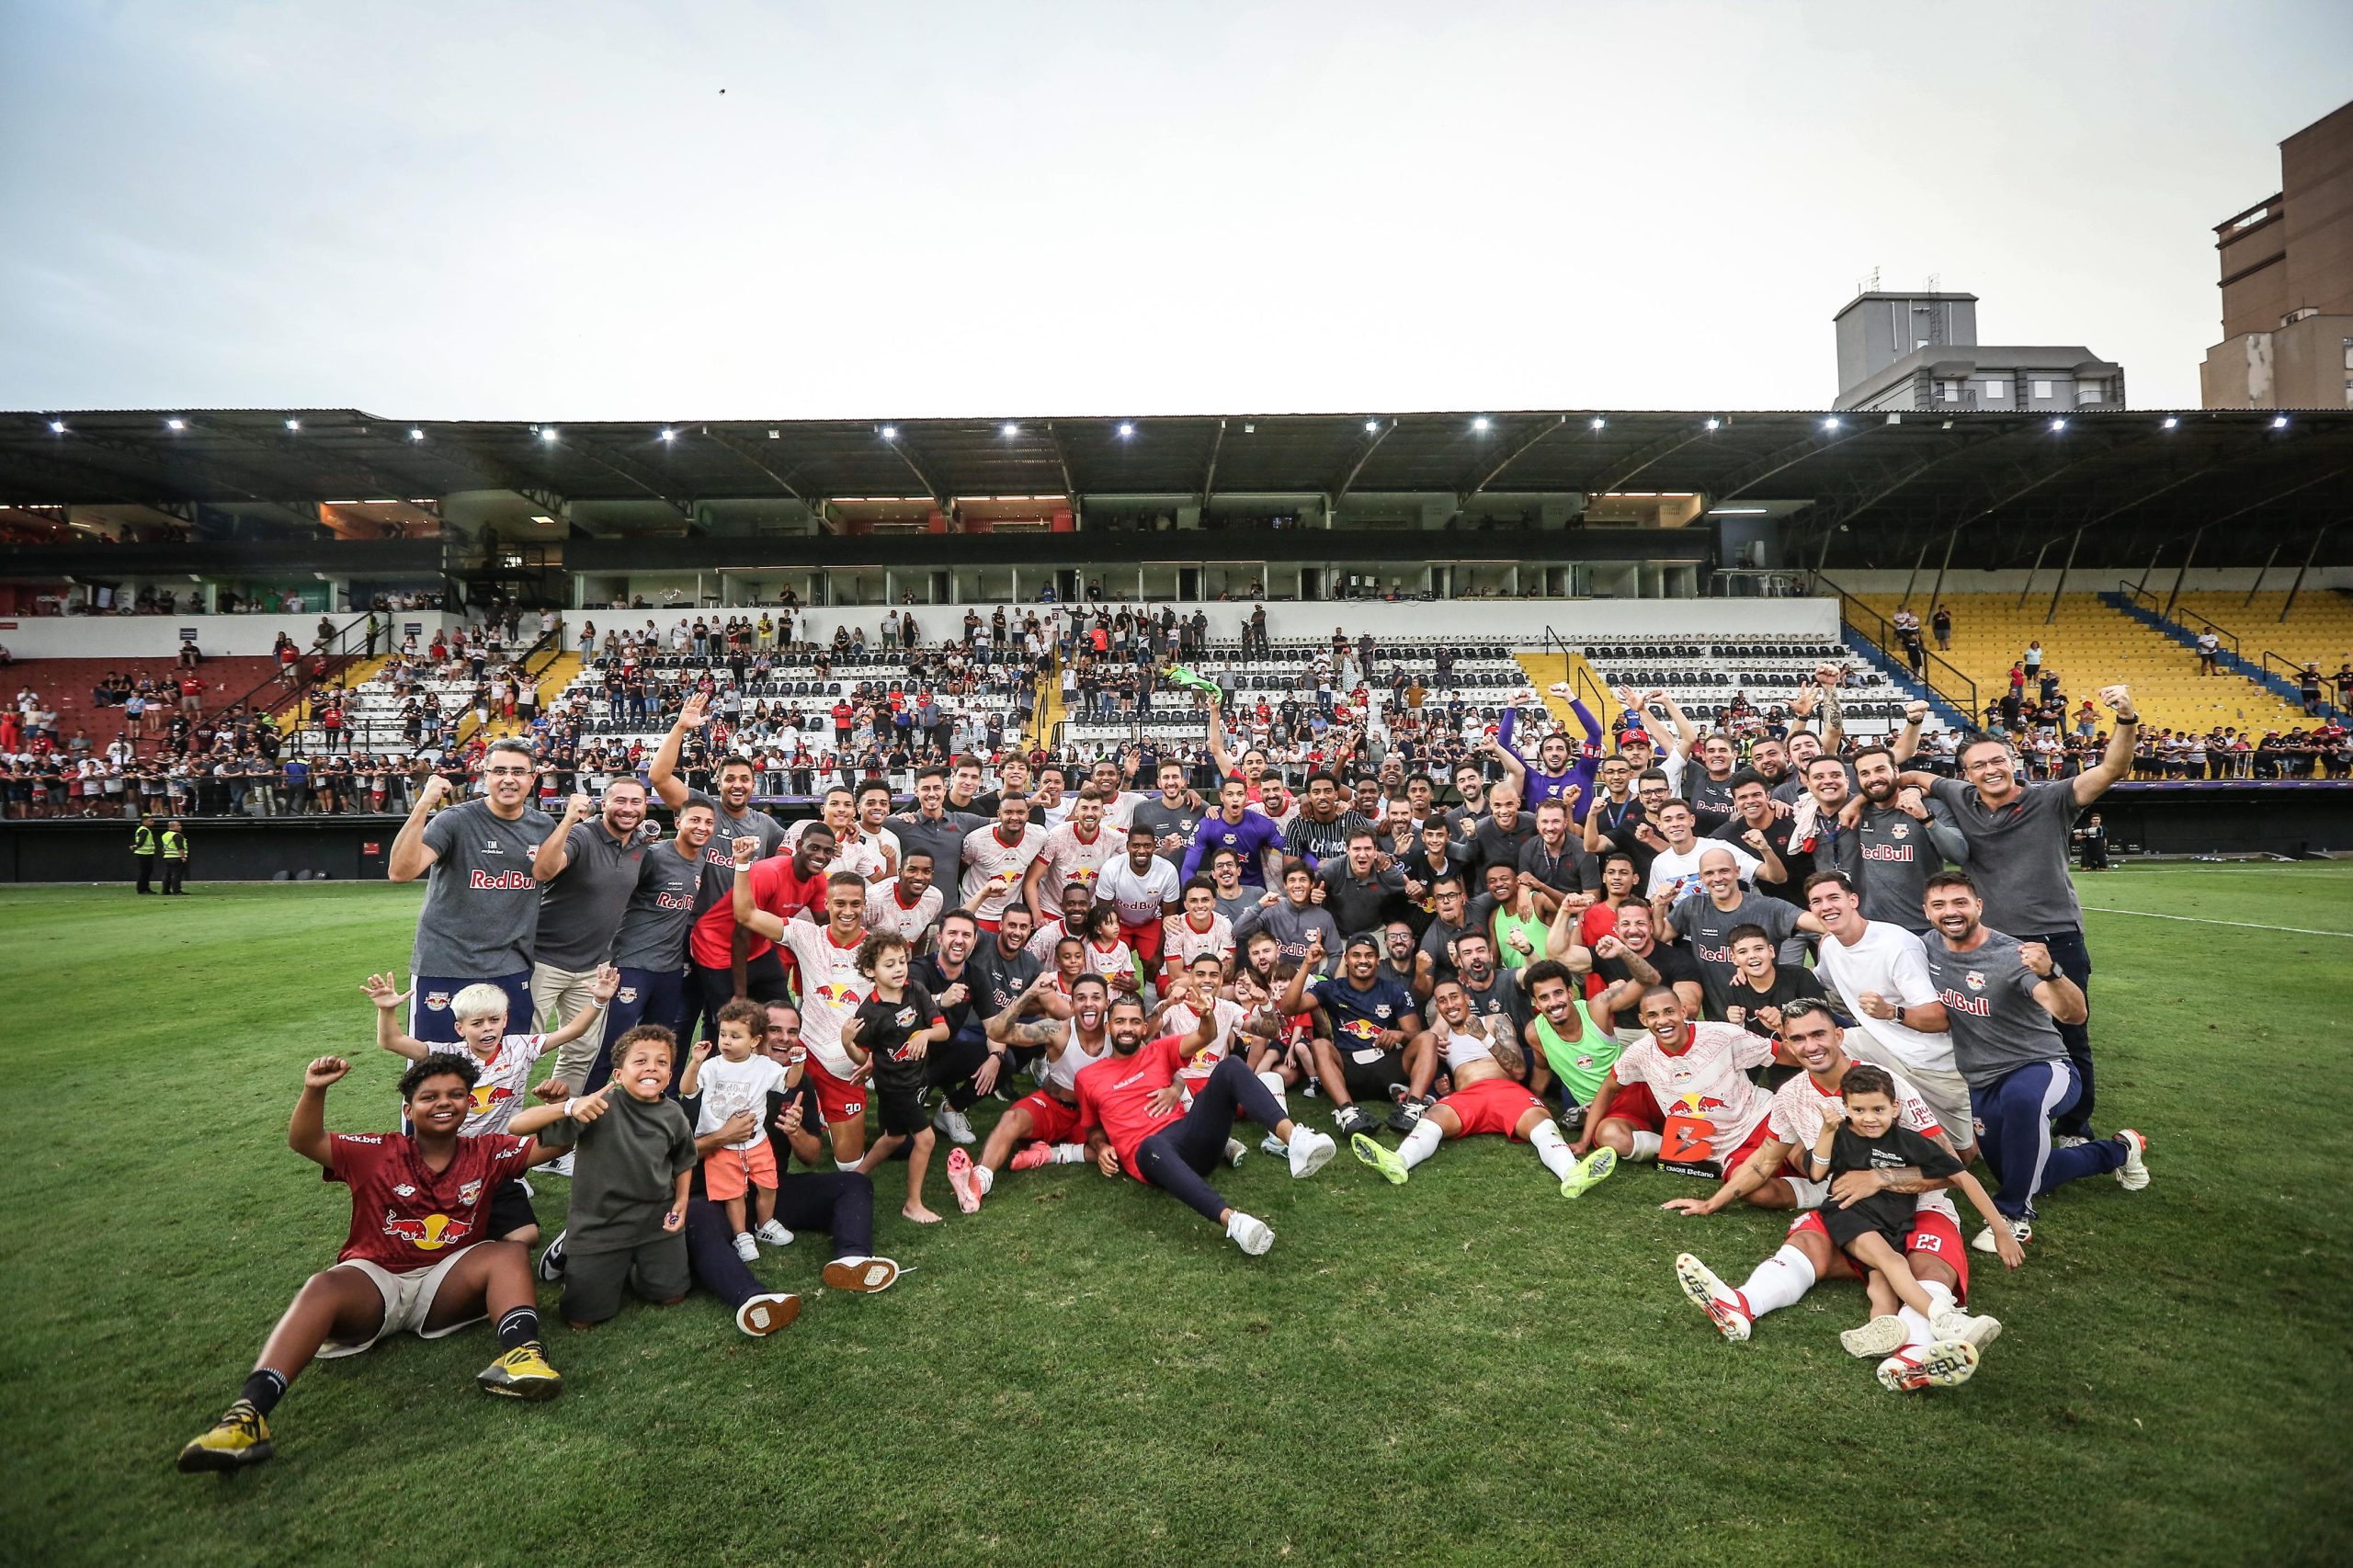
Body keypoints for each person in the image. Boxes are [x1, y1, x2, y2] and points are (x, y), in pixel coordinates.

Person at [176, 1053, 564, 1473]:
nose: (444, 1103)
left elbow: (554, 1145)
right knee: (323, 1286)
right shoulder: (377, 1150)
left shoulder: (486, 1150)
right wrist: (315, 1088)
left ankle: (521, 1357)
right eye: (429, 1096)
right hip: (377, 1280)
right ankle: (247, 1418)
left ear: (471, 1103)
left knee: (507, 1252)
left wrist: (563, 1105)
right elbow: (305, 1141)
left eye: (456, 1094)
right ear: (407, 1108)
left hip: (446, 1285)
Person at [1665, 1001, 2009, 1391]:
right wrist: (1713, 1202)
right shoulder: (1791, 1095)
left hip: (1919, 1205)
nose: (1810, 1045)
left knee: (1927, 1266)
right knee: (1808, 1240)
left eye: (1818, 1034)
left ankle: (1915, 1353)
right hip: (1855, 1212)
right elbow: (1764, 1160)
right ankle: (1740, 1305)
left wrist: (1882, 1177)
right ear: (1788, 1046)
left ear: (1838, 1035)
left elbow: (1950, 1166)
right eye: (1797, 1038)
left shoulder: (1883, 1086)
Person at [1896, 682, 2135, 1140]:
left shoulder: (2052, 798)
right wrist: (1859, 800)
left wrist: (2125, 717)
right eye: (1979, 765)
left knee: (2069, 1030)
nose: (1990, 770)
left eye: (1998, 761)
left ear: (2014, 763)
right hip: (1993, 945)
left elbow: (2113, 767)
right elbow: (1911, 777)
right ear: (1966, 773)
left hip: (2055, 936)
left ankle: (2074, 1125)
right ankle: (2016, 1110)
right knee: (1998, 1032)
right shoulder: (1958, 796)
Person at [1919, 872, 2149, 1251]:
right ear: (1927, 912)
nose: (1951, 912)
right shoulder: (1926, 947)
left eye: (1960, 902)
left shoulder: (2012, 956)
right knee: (2027, 1172)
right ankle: (2120, 1150)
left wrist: (2052, 972)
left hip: (2042, 1067)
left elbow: (2073, 1014)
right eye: (1940, 905)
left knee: (2023, 1104)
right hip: (1981, 1081)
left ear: (1979, 906)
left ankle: (2013, 1217)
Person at [361, 966, 618, 1236]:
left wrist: (598, 1000)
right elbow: (391, 1041)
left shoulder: (521, 1047)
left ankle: (505, 1188)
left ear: (505, 1020)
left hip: (499, 1155)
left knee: (526, 1237)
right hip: (453, 1154)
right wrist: (386, 1009)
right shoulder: (448, 1054)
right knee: (441, 1225)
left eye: (494, 1020)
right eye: (477, 1023)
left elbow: (573, 1031)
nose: (487, 1029)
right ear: (459, 1028)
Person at [1073, 996, 1338, 1256]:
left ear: (1145, 1028)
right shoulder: (1087, 1078)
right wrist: (1101, 1144)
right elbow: (1091, 1127)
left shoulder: (1159, 1050)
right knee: (1152, 1144)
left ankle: (1295, 1140)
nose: (1127, 1028)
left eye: (1134, 1022)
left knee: (1230, 1067)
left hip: (1190, 1140)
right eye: (1119, 1022)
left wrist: (1206, 1015)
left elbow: (1204, 1036)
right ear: (1108, 1027)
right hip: (1150, 1156)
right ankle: (1234, 1222)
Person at [506, 1026, 697, 1328]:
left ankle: (633, 1264)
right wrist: (565, 1106)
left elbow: (683, 1160)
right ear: (618, 1076)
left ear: (670, 1076)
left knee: (670, 1296)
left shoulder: (674, 1113)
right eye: (641, 1061)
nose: (652, 1067)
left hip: (655, 1221)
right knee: (580, 1319)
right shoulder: (596, 1107)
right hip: (599, 1224)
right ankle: (572, 1252)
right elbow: (516, 1126)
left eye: (662, 1062)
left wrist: (683, 1200)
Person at [1351, 976, 1614, 1195]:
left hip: (1506, 1090)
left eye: (1454, 997)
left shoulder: (1495, 1020)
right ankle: (1398, 1162)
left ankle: (1572, 1174)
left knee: (1543, 1126)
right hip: (1468, 1096)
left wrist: (1484, 1037)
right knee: (1433, 1117)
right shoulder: (1439, 1036)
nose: (1449, 1004)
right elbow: (1415, 1057)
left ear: (1467, 998)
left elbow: (1519, 1068)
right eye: (1442, 1001)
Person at [389, 740, 557, 1046]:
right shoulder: (455, 820)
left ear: (533, 778)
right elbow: (401, 871)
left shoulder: (545, 827)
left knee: (506, 1067)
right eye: (500, 771)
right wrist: (423, 804)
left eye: (519, 771)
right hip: (446, 964)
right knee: (434, 1068)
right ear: (485, 774)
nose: (509, 779)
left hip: (511, 967)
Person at [733, 858, 879, 1167]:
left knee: (849, 1166)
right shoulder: (806, 934)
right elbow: (745, 913)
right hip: (804, 1056)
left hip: (847, 1068)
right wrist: (743, 864)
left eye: (855, 904)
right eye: (839, 903)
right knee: (767, 1140)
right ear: (826, 903)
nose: (847, 911)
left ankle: (830, 1114)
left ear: (865, 905)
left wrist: (875, 1056)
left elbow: (897, 1008)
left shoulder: (878, 949)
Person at [1571, 986, 1779, 1188]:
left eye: (1669, 1011)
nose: (1662, 1020)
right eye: (1652, 1015)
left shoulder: (1720, 1034)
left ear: (1683, 1011)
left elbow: (1785, 1054)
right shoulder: (1640, 1053)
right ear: (1643, 1021)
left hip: (1758, 1119)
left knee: (1798, 1161)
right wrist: (1583, 1141)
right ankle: (1681, 1150)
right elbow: (1609, 1086)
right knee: (1756, 1187)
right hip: (1711, 1144)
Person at [952, 972, 1115, 1210]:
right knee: (1011, 1118)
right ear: (1071, 1004)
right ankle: (979, 1181)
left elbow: (1153, 1057)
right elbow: (997, 1033)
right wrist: (1028, 994)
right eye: (1081, 998)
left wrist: (1176, 1089)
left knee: (1117, 1145)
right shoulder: (1056, 1031)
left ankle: (1051, 1154)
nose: (1088, 1003)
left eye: (1096, 997)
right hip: (1053, 1106)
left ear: (1107, 1003)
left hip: (1091, 1116)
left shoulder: (1118, 1034)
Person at [529, 780, 652, 1092]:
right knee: (521, 1046)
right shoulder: (582, 835)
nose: (628, 808)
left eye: (636, 802)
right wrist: (568, 819)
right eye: (620, 801)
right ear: (605, 803)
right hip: (544, 961)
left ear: (645, 807)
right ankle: (496, 1123)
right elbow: (545, 869)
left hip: (594, 966)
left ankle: (559, 1126)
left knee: (581, 1050)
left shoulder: (640, 844)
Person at [1278, 931, 1433, 1138]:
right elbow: (1288, 1007)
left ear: (1378, 960)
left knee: (1429, 1038)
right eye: (1356, 955)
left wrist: (1400, 1035)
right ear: (1346, 959)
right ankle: (1348, 1112)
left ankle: (1412, 1108)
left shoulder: (1394, 990)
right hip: (1348, 1069)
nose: (1362, 960)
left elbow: (1415, 1035)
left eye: (1369, 955)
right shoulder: (1330, 988)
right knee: (1320, 1045)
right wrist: (1307, 964)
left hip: (1386, 1063)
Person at [841, 933, 949, 1223]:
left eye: (902, 961)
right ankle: (913, 1204)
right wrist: (847, 1043)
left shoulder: (916, 991)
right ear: (869, 971)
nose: (899, 968)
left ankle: (856, 1177)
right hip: (895, 1085)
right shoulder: (869, 1012)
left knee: (894, 1138)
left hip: (914, 1080)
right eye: (889, 964)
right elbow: (862, 1059)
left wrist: (925, 1033)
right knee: (925, 1139)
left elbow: (943, 1031)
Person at [678, 1000, 793, 1259]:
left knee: (768, 1185)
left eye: (735, 1036)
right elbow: (687, 1090)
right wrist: (695, 1062)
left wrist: (798, 1063)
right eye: (723, 1034)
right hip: (720, 1147)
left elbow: (788, 1082)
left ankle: (765, 1225)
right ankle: (742, 1236)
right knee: (733, 1194)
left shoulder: (764, 1067)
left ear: (754, 1041)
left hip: (757, 1143)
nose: (726, 1042)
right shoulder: (712, 1066)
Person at [648, 692, 788, 858]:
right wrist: (680, 727)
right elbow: (659, 777)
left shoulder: (766, 825)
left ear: (753, 785)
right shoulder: (701, 809)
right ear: (719, 784)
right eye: (729, 779)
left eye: (744, 779)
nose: (737, 785)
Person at [960, 793, 1046, 932]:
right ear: (999, 814)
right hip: (980, 913)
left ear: (1028, 815)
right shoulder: (976, 841)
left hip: (1012, 915)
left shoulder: (1039, 836)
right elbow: (963, 867)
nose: (1014, 817)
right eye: (1008, 812)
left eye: (1020, 812)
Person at [131, 812, 158, 893]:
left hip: (145, 853)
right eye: (150, 821)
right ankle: (142, 889)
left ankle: (145, 888)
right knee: (145, 872)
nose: (152, 822)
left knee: (146, 872)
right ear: (144, 821)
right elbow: (141, 841)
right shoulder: (144, 830)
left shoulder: (144, 830)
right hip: (144, 854)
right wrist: (136, 846)